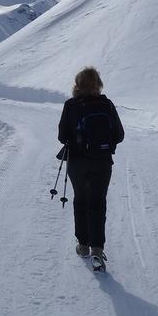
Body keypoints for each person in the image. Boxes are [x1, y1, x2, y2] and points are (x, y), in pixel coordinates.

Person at [58, 66, 124, 269]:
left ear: (77, 85)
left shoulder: (71, 105)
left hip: (77, 162)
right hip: (102, 162)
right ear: (98, 84)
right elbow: (120, 135)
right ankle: (98, 249)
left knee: (81, 200)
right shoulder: (107, 105)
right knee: (98, 202)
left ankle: (83, 245)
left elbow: (61, 136)